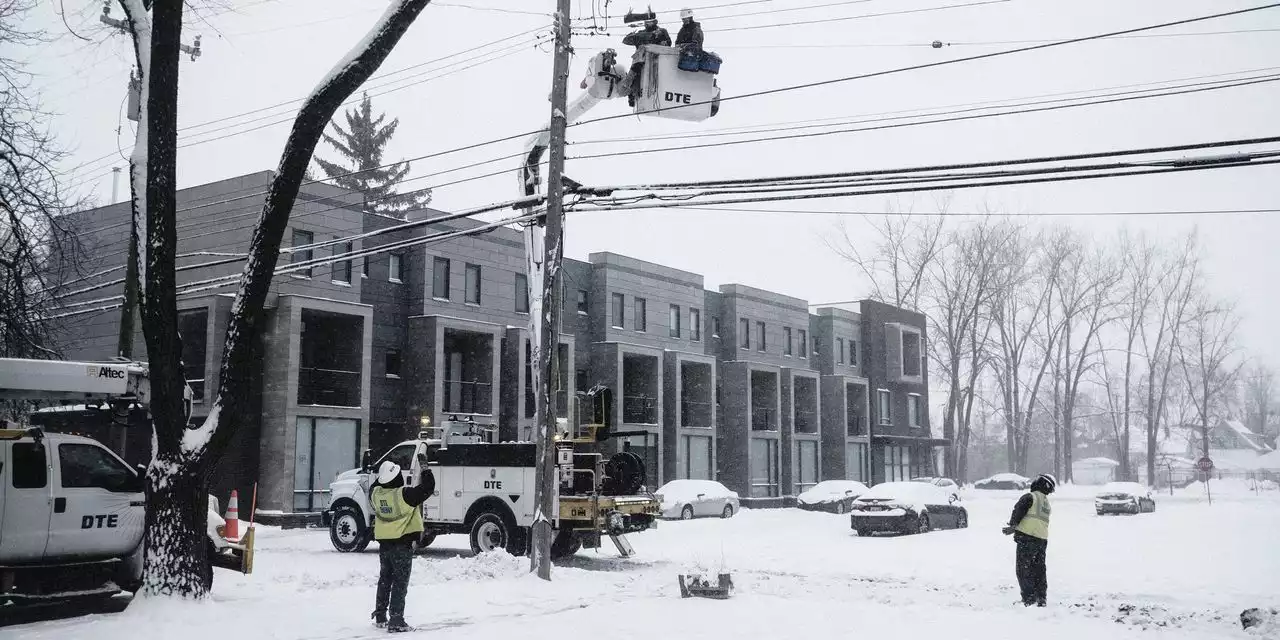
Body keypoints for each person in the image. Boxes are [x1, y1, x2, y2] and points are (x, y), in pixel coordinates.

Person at [370, 458, 435, 632]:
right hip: (402, 544)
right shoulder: (405, 495)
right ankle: (396, 620)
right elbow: (428, 488)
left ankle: (381, 616)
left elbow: (376, 484)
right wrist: (425, 469)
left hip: (384, 545)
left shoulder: (375, 494)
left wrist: (383, 474)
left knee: (385, 579)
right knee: (400, 582)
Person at [1003, 473, 1056, 607]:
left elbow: (1019, 510)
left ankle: (1029, 599)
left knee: (1024, 569)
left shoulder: (1030, 497)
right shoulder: (1046, 503)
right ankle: (1041, 597)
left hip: (1027, 538)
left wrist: (1013, 526)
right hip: (1042, 540)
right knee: (1039, 570)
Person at [622, 16, 671, 106]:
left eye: (649, 22)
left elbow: (668, 44)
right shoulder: (641, 33)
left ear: (654, 22)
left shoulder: (661, 31)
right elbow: (626, 41)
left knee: (646, 75)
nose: (647, 24)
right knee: (637, 76)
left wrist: (659, 39)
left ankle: (637, 90)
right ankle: (632, 94)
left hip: (654, 59)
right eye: (646, 22)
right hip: (640, 62)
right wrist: (631, 35)